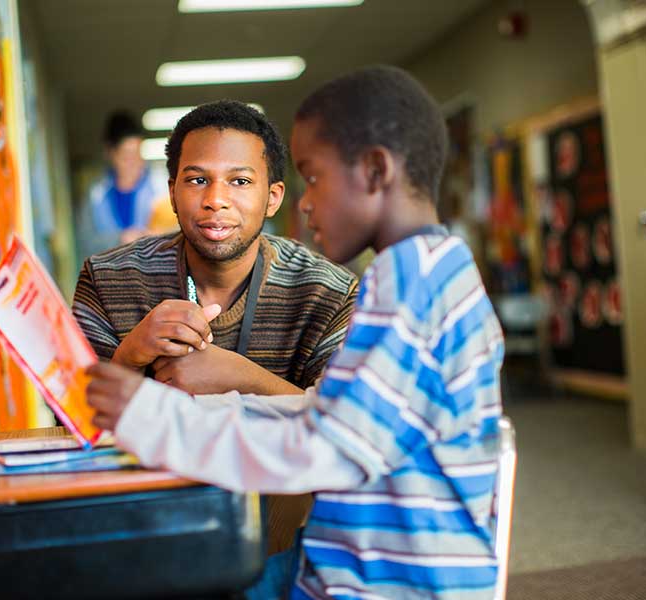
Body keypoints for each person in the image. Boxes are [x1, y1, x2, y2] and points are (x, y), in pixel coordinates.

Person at [85, 65, 506, 599]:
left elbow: (324, 449)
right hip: (360, 559)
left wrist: (156, 418)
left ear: (375, 171)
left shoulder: (406, 284)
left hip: (379, 581)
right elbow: (335, 416)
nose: (305, 204)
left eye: (314, 178)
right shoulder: (434, 270)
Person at [73, 101, 359, 554]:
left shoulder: (328, 292)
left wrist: (241, 379)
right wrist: (131, 355)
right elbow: (70, 430)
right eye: (197, 179)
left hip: (283, 546)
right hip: (145, 542)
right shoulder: (109, 279)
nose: (215, 199)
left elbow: (351, 437)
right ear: (171, 191)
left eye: (240, 181)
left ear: (273, 196)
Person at [77, 110, 173, 260]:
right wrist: (120, 239)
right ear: (109, 153)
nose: (134, 163)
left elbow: (185, 231)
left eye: (137, 154)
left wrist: (161, 237)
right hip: (111, 278)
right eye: (126, 156)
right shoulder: (96, 195)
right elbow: (86, 242)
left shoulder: (161, 185)